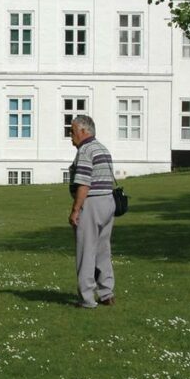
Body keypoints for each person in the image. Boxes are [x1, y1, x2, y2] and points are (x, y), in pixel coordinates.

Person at [68, 115, 117, 308]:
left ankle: (87, 298)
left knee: (86, 251)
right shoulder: (102, 148)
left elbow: (83, 184)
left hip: (93, 203)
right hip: (108, 201)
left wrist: (75, 209)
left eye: (72, 131)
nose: (70, 135)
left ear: (83, 130)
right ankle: (107, 293)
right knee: (102, 250)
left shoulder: (86, 150)